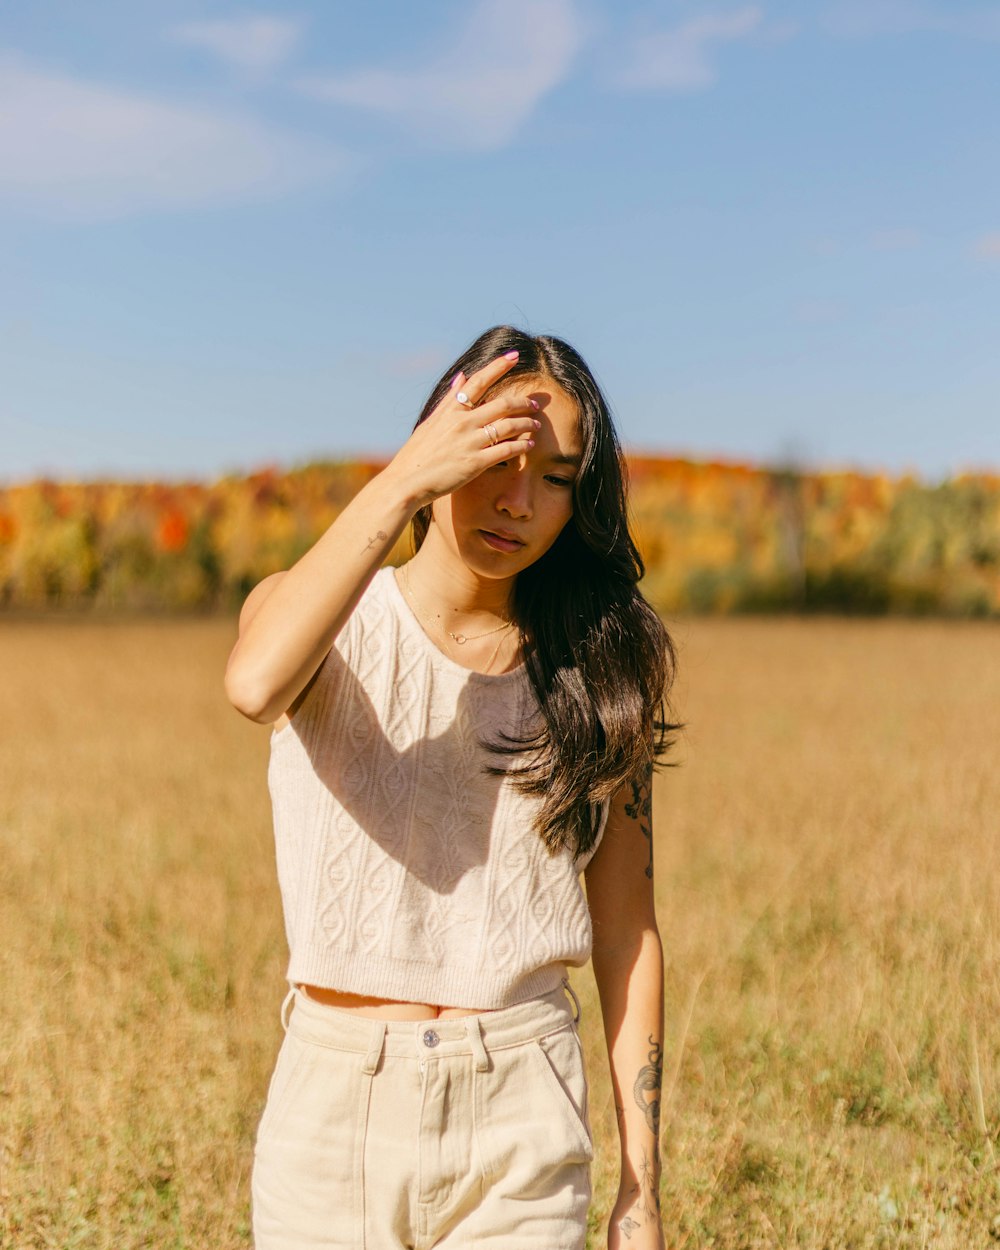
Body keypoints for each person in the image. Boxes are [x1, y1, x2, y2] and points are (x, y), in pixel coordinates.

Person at [224, 324, 682, 1250]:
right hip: (332, 1118)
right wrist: (401, 484)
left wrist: (642, 1184)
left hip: (520, 1110)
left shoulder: (600, 672)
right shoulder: (316, 615)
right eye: (493, 455)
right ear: (439, 440)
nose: (518, 501)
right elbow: (253, 685)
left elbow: (627, 925)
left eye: (556, 478)